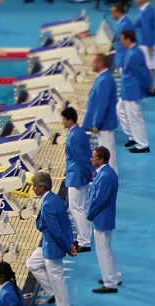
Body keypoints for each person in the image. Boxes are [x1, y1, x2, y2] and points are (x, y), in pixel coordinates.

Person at [26, 172, 76, 306]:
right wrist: (70, 242)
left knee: (58, 281)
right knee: (32, 263)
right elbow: (66, 223)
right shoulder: (54, 198)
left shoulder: (48, 204)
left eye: (35, 186)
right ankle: (53, 293)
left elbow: (56, 230)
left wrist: (67, 247)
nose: (33, 188)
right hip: (49, 244)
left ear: (42, 187)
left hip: (53, 247)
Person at [87, 147, 122, 293]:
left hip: (102, 218)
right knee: (107, 249)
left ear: (100, 160)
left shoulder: (105, 176)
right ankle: (114, 276)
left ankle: (110, 283)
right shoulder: (106, 172)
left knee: (103, 251)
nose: (91, 159)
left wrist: (90, 214)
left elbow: (100, 200)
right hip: (105, 217)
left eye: (93, 157)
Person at [62, 107, 94, 253]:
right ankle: (85, 237)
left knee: (76, 209)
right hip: (81, 175)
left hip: (77, 176)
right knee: (83, 207)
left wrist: (90, 173)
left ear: (69, 120)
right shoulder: (79, 132)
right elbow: (87, 154)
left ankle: (85, 241)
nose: (61, 122)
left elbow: (80, 158)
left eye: (63, 119)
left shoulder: (74, 136)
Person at [116, 30, 153, 154]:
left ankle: (143, 144)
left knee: (135, 117)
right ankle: (132, 135)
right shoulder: (131, 51)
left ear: (128, 39)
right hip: (127, 90)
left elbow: (142, 73)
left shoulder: (134, 53)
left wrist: (148, 87)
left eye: (122, 39)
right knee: (120, 110)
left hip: (133, 91)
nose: (120, 41)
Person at [83, 53, 119, 172]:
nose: (92, 64)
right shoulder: (103, 78)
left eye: (94, 62)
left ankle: (111, 177)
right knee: (105, 152)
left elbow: (101, 105)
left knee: (108, 153)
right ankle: (106, 176)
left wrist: (97, 124)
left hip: (104, 124)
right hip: (104, 124)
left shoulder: (104, 80)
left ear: (100, 63)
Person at [134, 0, 155, 87]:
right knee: (151, 65)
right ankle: (151, 86)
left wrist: (150, 45)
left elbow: (147, 29)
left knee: (149, 66)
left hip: (145, 43)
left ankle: (150, 87)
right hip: (148, 42)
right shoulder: (149, 9)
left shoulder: (146, 11)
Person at [110, 3, 135, 71]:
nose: (111, 14)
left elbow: (128, 43)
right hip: (121, 56)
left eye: (112, 12)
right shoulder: (123, 22)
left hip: (123, 58)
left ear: (119, 12)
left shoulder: (125, 25)